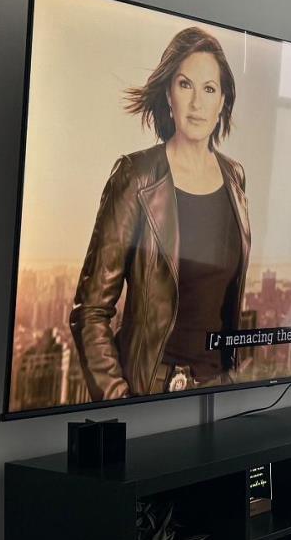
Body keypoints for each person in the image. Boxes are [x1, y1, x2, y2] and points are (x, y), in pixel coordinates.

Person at [70, 25, 251, 398]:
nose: (197, 103)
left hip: (219, 391)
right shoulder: (135, 177)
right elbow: (90, 310)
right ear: (169, 93)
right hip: (150, 391)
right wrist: (120, 401)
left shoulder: (235, 178)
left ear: (223, 103)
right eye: (185, 85)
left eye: (209, 89)